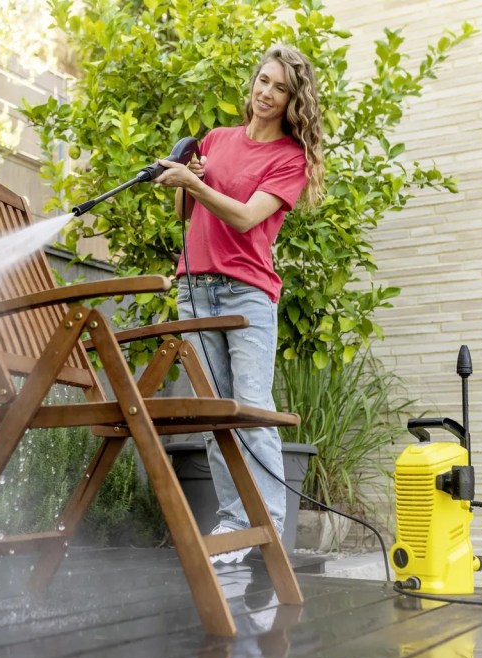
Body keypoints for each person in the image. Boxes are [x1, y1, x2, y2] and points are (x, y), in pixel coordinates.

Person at [153, 44, 325, 564]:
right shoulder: (217, 140)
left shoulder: (289, 159)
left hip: (246, 292)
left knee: (251, 410)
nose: (267, 93)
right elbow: (186, 211)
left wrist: (192, 183)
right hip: (194, 288)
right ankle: (233, 523)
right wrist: (189, 176)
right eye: (263, 81)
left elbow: (248, 218)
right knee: (213, 415)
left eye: (280, 88)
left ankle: (268, 522)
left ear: (294, 101)